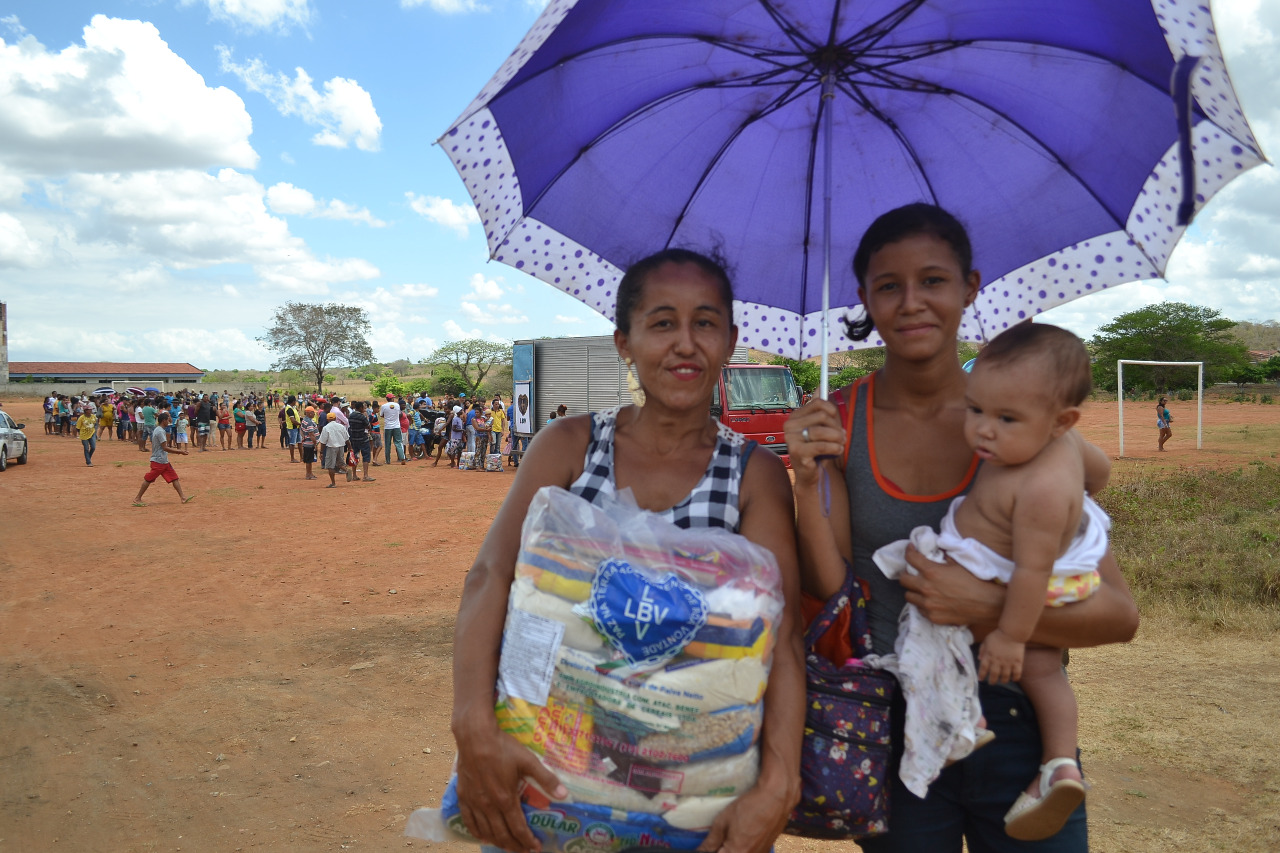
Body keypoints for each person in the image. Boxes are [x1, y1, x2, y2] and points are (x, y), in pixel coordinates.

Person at [784, 204, 1139, 853]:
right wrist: (807, 483)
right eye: (888, 284)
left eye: (934, 280)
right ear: (862, 297)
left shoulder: (1026, 424)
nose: (911, 301)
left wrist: (987, 608)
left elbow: (1119, 615)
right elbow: (831, 588)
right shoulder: (839, 423)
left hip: (1019, 722)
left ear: (971, 286)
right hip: (896, 725)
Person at [449, 248, 804, 853]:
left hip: (694, 800)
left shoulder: (754, 474)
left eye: (706, 322)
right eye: (662, 322)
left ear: (730, 340)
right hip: (550, 781)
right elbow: (491, 576)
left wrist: (779, 781)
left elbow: (784, 634)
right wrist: (474, 727)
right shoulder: (568, 445)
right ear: (625, 341)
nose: (685, 343)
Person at [133, 411, 194, 505]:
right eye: (167, 419)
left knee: (174, 478)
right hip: (159, 461)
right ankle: (137, 498)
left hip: (162, 460)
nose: (169, 421)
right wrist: (180, 451)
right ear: (163, 421)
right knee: (148, 479)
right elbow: (165, 447)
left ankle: (183, 497)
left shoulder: (158, 430)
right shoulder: (160, 431)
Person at [318, 411, 351, 487]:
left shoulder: (326, 428)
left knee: (330, 466)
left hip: (331, 447)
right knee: (340, 463)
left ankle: (333, 483)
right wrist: (350, 447)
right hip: (341, 447)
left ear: (327, 419)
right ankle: (346, 470)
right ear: (335, 418)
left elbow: (323, 441)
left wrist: (321, 452)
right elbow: (347, 438)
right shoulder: (341, 427)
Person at [347, 400, 375, 481]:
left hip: (353, 439)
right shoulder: (362, 417)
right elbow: (369, 426)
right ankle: (365, 475)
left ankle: (354, 475)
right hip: (363, 438)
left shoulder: (351, 415)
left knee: (354, 456)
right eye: (363, 407)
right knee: (366, 456)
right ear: (360, 408)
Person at [380, 394, 405, 465]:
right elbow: (400, 414)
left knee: (387, 444)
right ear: (392, 399)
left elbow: (381, 415)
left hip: (388, 427)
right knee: (398, 442)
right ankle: (402, 458)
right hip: (396, 426)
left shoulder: (384, 406)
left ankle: (388, 460)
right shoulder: (397, 405)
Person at [299, 405, 320, 480]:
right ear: (309, 413)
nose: (314, 414)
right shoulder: (309, 422)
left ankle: (310, 473)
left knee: (310, 460)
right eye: (313, 413)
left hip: (306, 442)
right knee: (309, 460)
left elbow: (302, 431)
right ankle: (308, 474)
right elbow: (311, 434)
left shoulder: (305, 420)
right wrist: (315, 443)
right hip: (309, 443)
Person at [283, 396, 302, 462]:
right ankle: (292, 458)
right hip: (292, 428)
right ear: (293, 401)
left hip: (296, 427)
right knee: (292, 443)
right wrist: (300, 424)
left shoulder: (293, 408)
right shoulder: (289, 409)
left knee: (300, 442)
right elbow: (293, 420)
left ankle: (302, 457)